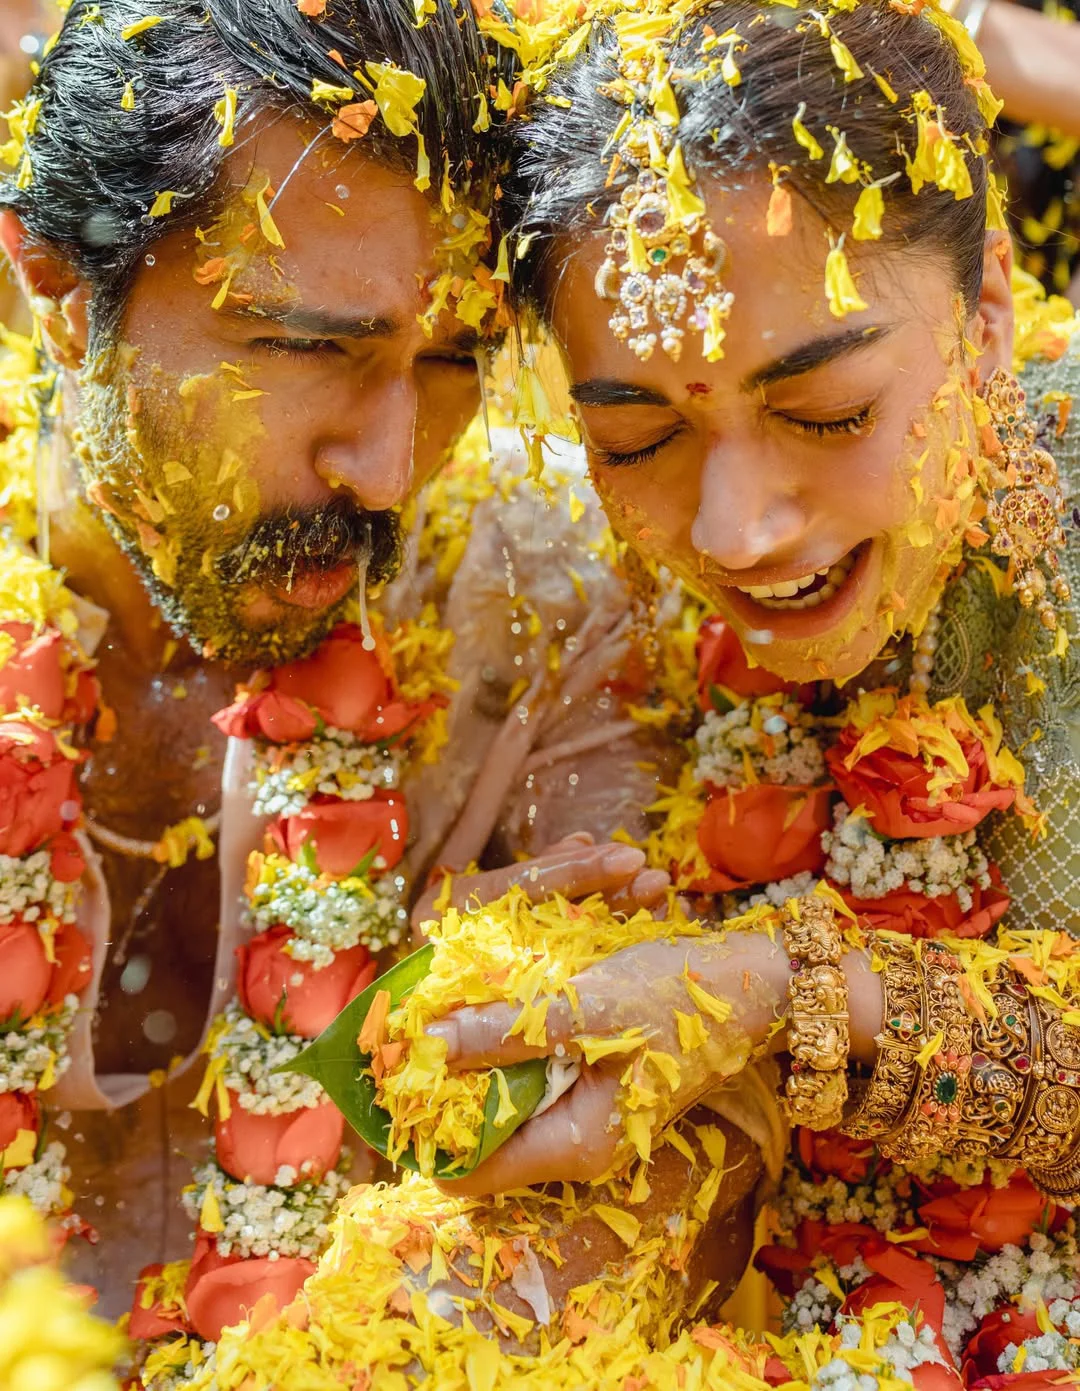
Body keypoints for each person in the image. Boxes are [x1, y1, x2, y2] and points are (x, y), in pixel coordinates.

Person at [188, 1, 1080, 1385]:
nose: (735, 532)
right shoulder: (609, 603)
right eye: (639, 435)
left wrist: (790, 993)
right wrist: (509, 998)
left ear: (987, 316)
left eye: (827, 410)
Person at [0, 0, 687, 1323]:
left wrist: (442, 1048)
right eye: (312, 350)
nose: (385, 468)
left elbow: (669, 1197)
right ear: (55, 296)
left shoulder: (542, 612)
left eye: (450, 362)